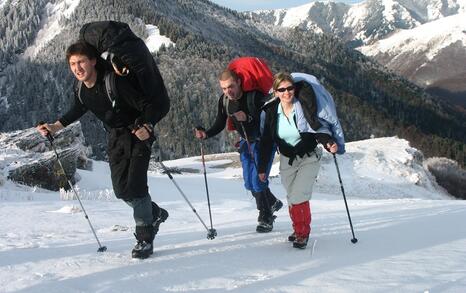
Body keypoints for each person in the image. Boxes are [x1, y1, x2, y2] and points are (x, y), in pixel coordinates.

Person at [36, 41, 169, 259]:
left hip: (138, 133)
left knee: (135, 186)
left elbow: (148, 106)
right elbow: (77, 109)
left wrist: (147, 125)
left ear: (94, 62)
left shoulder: (114, 82)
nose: (77, 68)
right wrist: (55, 126)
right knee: (121, 191)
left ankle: (145, 237)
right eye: (72, 64)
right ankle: (154, 213)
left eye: (81, 62)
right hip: (116, 137)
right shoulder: (80, 89)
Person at [194, 69, 283, 233]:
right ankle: (271, 202)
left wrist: (247, 119)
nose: (228, 92)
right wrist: (206, 134)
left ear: (239, 83)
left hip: (263, 143)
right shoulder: (225, 101)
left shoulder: (254, 97)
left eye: (231, 87)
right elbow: (220, 123)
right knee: (249, 184)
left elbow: (265, 120)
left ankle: (266, 216)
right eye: (224, 89)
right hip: (246, 143)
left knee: (258, 181)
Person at [258, 72, 338, 249]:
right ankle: (297, 229)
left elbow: (317, 127)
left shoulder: (304, 106)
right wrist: (262, 168)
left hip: (309, 157)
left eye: (290, 88)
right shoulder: (271, 112)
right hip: (287, 159)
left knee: (298, 195)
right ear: (276, 92)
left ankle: (302, 233)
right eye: (282, 89)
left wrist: (329, 142)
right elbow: (266, 142)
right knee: (292, 197)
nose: (287, 92)